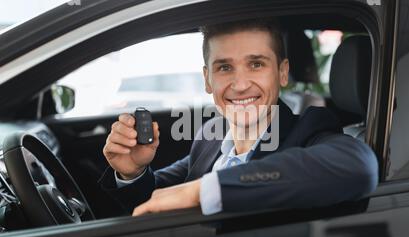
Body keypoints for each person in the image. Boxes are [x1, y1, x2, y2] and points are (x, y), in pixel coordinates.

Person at [98, 19, 378, 217]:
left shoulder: (308, 129)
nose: (240, 84)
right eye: (224, 68)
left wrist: (206, 190)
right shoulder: (211, 135)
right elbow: (156, 203)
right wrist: (132, 173)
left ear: (282, 73)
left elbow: (358, 166)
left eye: (256, 64)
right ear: (208, 80)